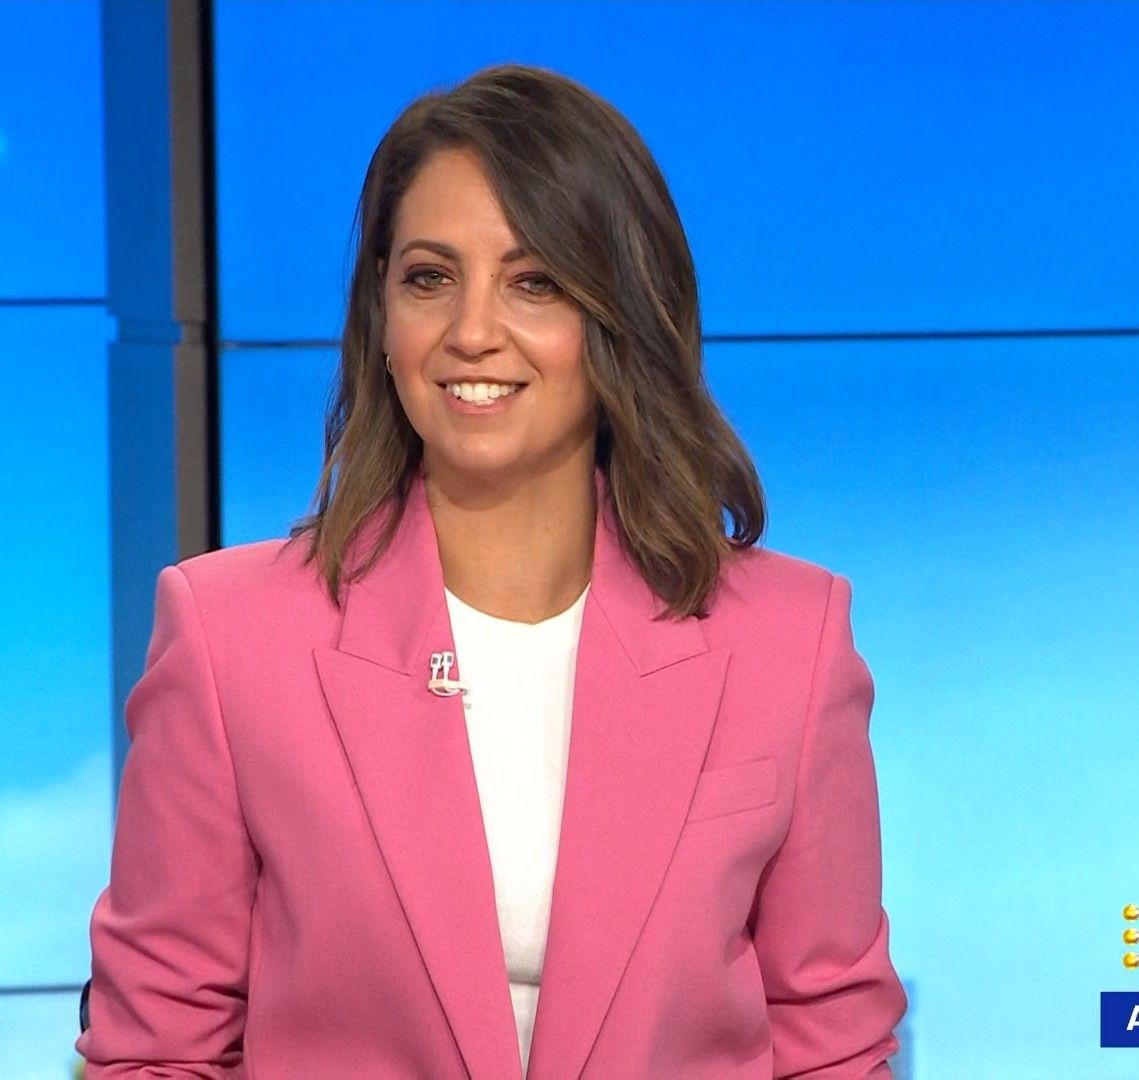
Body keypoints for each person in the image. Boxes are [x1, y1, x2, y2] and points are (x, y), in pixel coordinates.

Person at [78, 62, 906, 1079]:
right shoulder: (229, 638)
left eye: (534, 282)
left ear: (621, 315)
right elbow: (157, 1050)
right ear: (381, 317)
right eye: (429, 278)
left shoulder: (791, 640)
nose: (472, 332)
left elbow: (832, 1049)